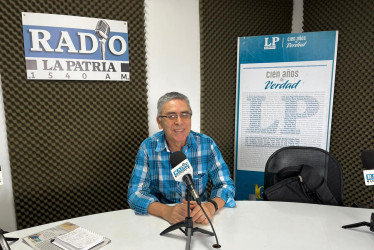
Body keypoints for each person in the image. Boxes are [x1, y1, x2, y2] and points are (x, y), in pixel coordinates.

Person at [127, 92, 235, 225]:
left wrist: (211, 207)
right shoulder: (148, 148)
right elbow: (135, 193)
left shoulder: (207, 144)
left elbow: (225, 184)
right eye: (171, 116)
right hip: (162, 220)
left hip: (200, 217)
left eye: (184, 115)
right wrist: (166, 211)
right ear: (159, 122)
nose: (179, 122)